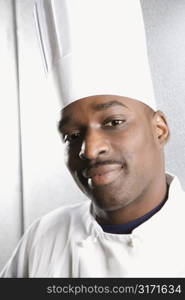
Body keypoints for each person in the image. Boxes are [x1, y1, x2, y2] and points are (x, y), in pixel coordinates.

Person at [1, 0, 185, 278]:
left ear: (159, 129)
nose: (89, 149)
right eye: (73, 135)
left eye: (113, 122)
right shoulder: (42, 239)